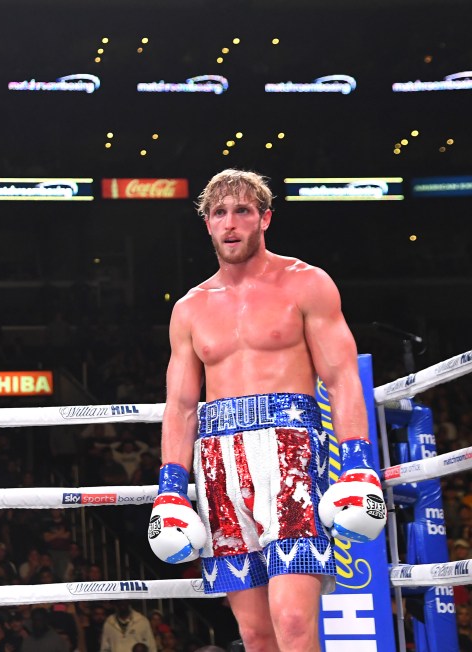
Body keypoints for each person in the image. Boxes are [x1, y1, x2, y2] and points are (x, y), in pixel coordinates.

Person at [146, 169, 387, 652]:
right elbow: (181, 406)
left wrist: (359, 463)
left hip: (292, 455)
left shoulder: (306, 283)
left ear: (265, 219)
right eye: (219, 213)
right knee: (255, 634)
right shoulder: (190, 308)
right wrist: (170, 490)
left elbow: (341, 380)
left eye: (243, 211)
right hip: (218, 463)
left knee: (294, 622)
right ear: (207, 224)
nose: (230, 223)